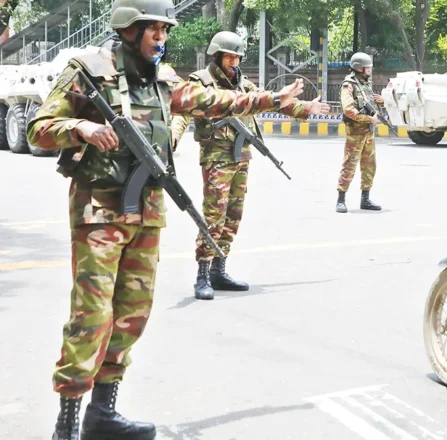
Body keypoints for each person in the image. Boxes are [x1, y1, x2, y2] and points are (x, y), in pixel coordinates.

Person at [27, 1, 328, 438]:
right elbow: (40, 126)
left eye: (165, 32)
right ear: (129, 29)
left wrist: (271, 101)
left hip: (146, 212)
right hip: (99, 214)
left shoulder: (164, 80)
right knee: (91, 316)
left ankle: (103, 414)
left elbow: (215, 100)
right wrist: (81, 128)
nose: (162, 39)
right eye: (155, 31)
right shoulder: (88, 70)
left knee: (132, 314)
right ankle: (67, 423)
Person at [169, 31, 319, 300]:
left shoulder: (243, 84)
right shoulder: (201, 83)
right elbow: (181, 112)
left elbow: (276, 102)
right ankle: (202, 274)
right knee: (214, 215)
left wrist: (306, 108)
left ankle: (219, 269)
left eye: (238, 56)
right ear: (216, 55)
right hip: (216, 158)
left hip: (241, 158)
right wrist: (172, 139)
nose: (235, 61)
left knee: (233, 216)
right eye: (230, 56)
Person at [336, 52, 383, 213]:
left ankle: (365, 198)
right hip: (355, 133)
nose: (370, 70)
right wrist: (368, 119)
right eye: (367, 67)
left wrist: (379, 102)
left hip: (368, 133)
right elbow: (349, 110)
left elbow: (370, 105)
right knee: (349, 164)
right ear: (359, 68)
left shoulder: (365, 84)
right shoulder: (348, 85)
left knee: (369, 165)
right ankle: (341, 199)